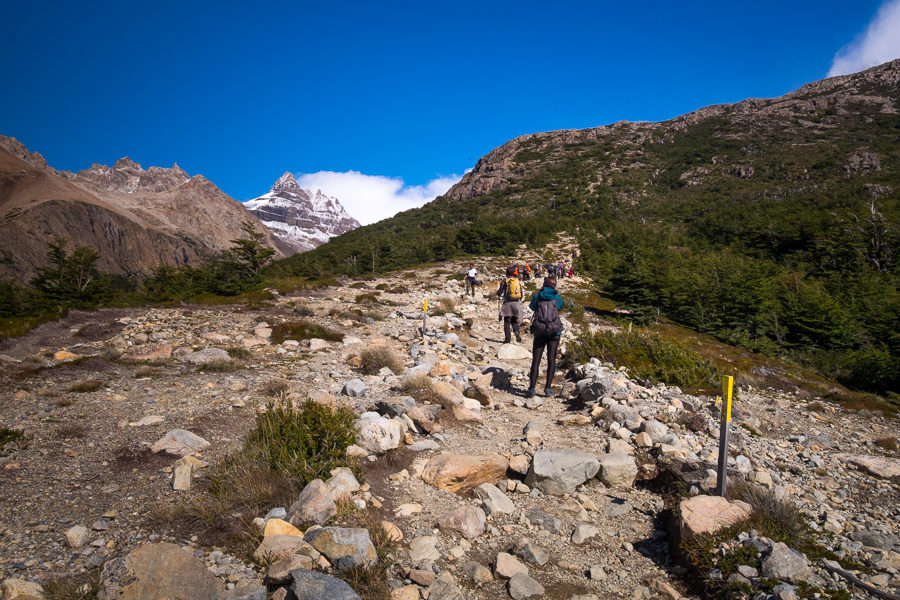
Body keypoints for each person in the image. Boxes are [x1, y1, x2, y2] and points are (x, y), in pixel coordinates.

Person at [527, 276, 563, 398]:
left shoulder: (538, 296)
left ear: (544, 284)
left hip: (540, 331)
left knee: (536, 361)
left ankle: (532, 388)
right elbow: (559, 308)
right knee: (551, 360)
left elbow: (532, 307)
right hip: (554, 332)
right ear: (554, 285)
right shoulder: (557, 298)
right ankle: (547, 389)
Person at [496, 265, 524, 343]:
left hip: (508, 303)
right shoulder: (517, 281)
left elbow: (500, 291)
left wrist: (498, 294)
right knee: (514, 320)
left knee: (507, 321)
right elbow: (521, 294)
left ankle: (507, 339)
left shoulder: (505, 281)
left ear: (506, 273)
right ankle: (516, 332)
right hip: (516, 303)